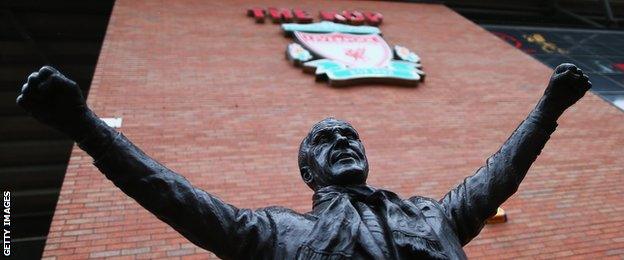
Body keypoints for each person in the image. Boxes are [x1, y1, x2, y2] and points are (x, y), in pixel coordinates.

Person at [16, 64, 591, 259]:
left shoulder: (432, 216)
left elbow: (499, 174)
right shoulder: (274, 233)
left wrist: (546, 109)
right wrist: (84, 126)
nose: (344, 141)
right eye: (326, 139)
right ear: (308, 173)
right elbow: (171, 194)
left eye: (352, 136)